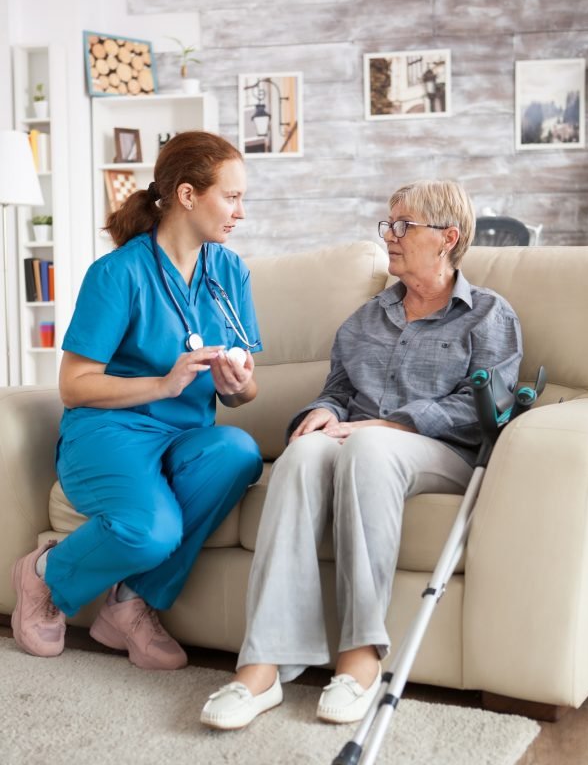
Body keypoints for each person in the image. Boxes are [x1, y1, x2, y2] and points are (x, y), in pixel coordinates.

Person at [200, 179, 523, 729]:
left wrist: (387, 423)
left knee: (370, 445)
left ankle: (360, 660)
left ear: (448, 237)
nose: (389, 237)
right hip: (361, 443)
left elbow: (488, 408)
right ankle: (261, 667)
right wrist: (321, 415)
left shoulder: (488, 315)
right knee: (302, 453)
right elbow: (339, 392)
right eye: (387, 225)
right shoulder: (366, 318)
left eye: (403, 226)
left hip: (440, 455)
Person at [11, 131, 263, 670]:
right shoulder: (118, 274)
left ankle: (127, 604)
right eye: (232, 196)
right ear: (189, 195)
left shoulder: (229, 272)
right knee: (151, 531)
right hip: (108, 433)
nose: (241, 211)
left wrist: (236, 386)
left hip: (185, 436)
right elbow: (74, 385)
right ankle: (43, 575)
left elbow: (248, 391)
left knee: (239, 450)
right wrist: (162, 385)